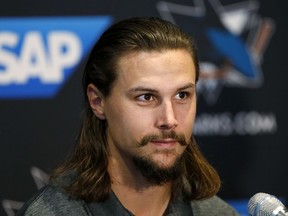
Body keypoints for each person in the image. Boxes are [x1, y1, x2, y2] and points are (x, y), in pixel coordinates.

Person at [17, 17, 239, 216]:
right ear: (97, 102)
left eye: (182, 95)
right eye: (146, 97)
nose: (169, 119)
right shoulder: (51, 212)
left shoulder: (216, 212)